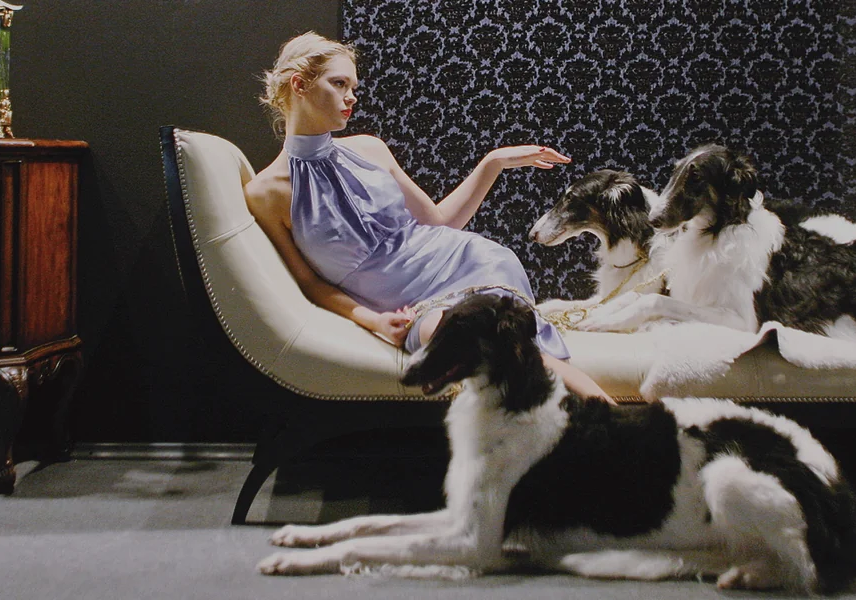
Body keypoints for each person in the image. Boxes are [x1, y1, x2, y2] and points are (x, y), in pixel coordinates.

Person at [243, 32, 613, 403]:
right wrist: (374, 321)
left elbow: (439, 222)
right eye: (339, 83)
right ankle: (618, 424)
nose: (352, 96)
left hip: (468, 264)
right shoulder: (265, 193)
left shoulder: (370, 148)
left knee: (507, 347)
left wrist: (493, 162)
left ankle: (618, 422)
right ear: (299, 85)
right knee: (480, 344)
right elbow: (309, 283)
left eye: (353, 86)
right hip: (407, 306)